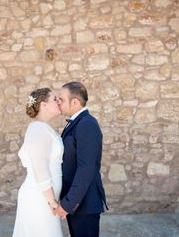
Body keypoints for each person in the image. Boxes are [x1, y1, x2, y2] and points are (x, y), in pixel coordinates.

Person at [55, 81, 108, 237]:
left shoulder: (87, 124)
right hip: (77, 203)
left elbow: (86, 169)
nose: (58, 102)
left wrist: (68, 203)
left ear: (75, 102)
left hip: (84, 203)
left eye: (61, 99)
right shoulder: (76, 122)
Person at [13, 88, 64, 237]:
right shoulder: (38, 129)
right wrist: (52, 202)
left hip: (45, 198)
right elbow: (40, 168)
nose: (58, 101)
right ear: (44, 105)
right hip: (40, 198)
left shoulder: (44, 128)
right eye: (55, 99)